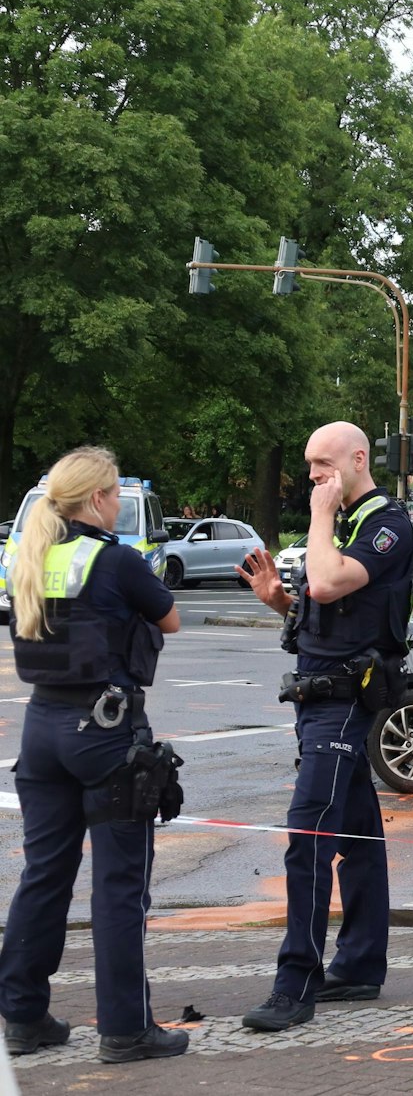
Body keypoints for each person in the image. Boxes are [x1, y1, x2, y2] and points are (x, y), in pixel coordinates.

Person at [0, 447, 187, 1064]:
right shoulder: (116, 561)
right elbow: (172, 619)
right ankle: (126, 1030)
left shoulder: (30, 558)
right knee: (118, 884)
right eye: (111, 495)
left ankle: (23, 1018)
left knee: (44, 874)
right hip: (104, 734)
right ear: (99, 499)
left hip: (41, 730)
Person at [233, 421, 413, 1032]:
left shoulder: (387, 524)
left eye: (322, 465)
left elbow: (331, 581)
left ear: (358, 459)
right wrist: (279, 602)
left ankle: (296, 984)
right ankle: (361, 964)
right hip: (316, 698)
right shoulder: (342, 525)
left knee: (308, 836)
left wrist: (320, 515)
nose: (313, 476)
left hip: (345, 702)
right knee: (358, 834)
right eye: (311, 466)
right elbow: (324, 609)